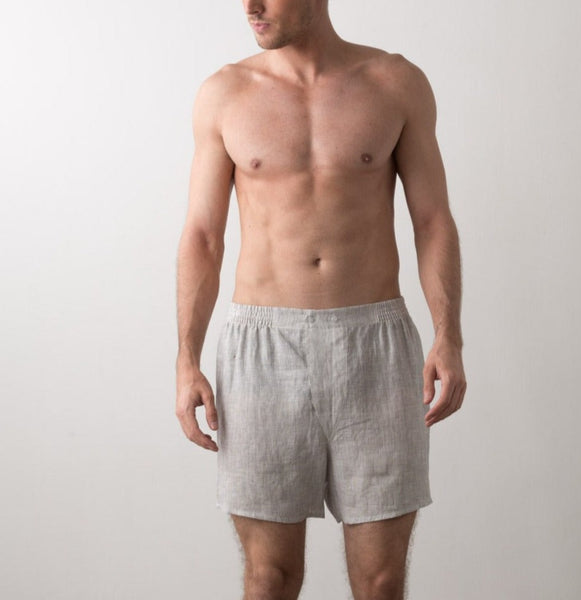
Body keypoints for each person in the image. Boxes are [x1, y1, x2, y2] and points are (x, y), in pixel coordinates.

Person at [175, 1, 466, 598]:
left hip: (375, 345)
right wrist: (186, 359)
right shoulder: (225, 94)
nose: (251, 7)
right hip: (262, 350)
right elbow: (203, 236)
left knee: (380, 582)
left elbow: (432, 220)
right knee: (270, 578)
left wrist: (448, 335)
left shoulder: (395, 83)